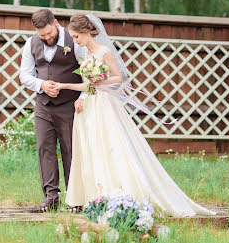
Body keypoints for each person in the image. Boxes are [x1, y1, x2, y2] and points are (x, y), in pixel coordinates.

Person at [56, 14, 214, 217]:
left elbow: (118, 78)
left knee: (111, 146)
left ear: (86, 32)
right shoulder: (86, 56)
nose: (75, 41)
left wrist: (98, 83)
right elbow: (87, 85)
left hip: (104, 106)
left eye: (76, 37)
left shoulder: (104, 52)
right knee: (91, 148)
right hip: (89, 107)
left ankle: (119, 191)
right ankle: (96, 195)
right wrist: (68, 88)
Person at [19, 9, 87, 212]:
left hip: (70, 104)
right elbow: (24, 74)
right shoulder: (31, 43)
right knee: (45, 149)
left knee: (70, 150)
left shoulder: (74, 40)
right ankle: (51, 199)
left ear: (55, 23)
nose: (47, 37)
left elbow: (89, 73)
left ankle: (75, 200)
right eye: (42, 35)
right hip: (43, 105)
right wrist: (41, 84)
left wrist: (83, 98)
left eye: (49, 33)